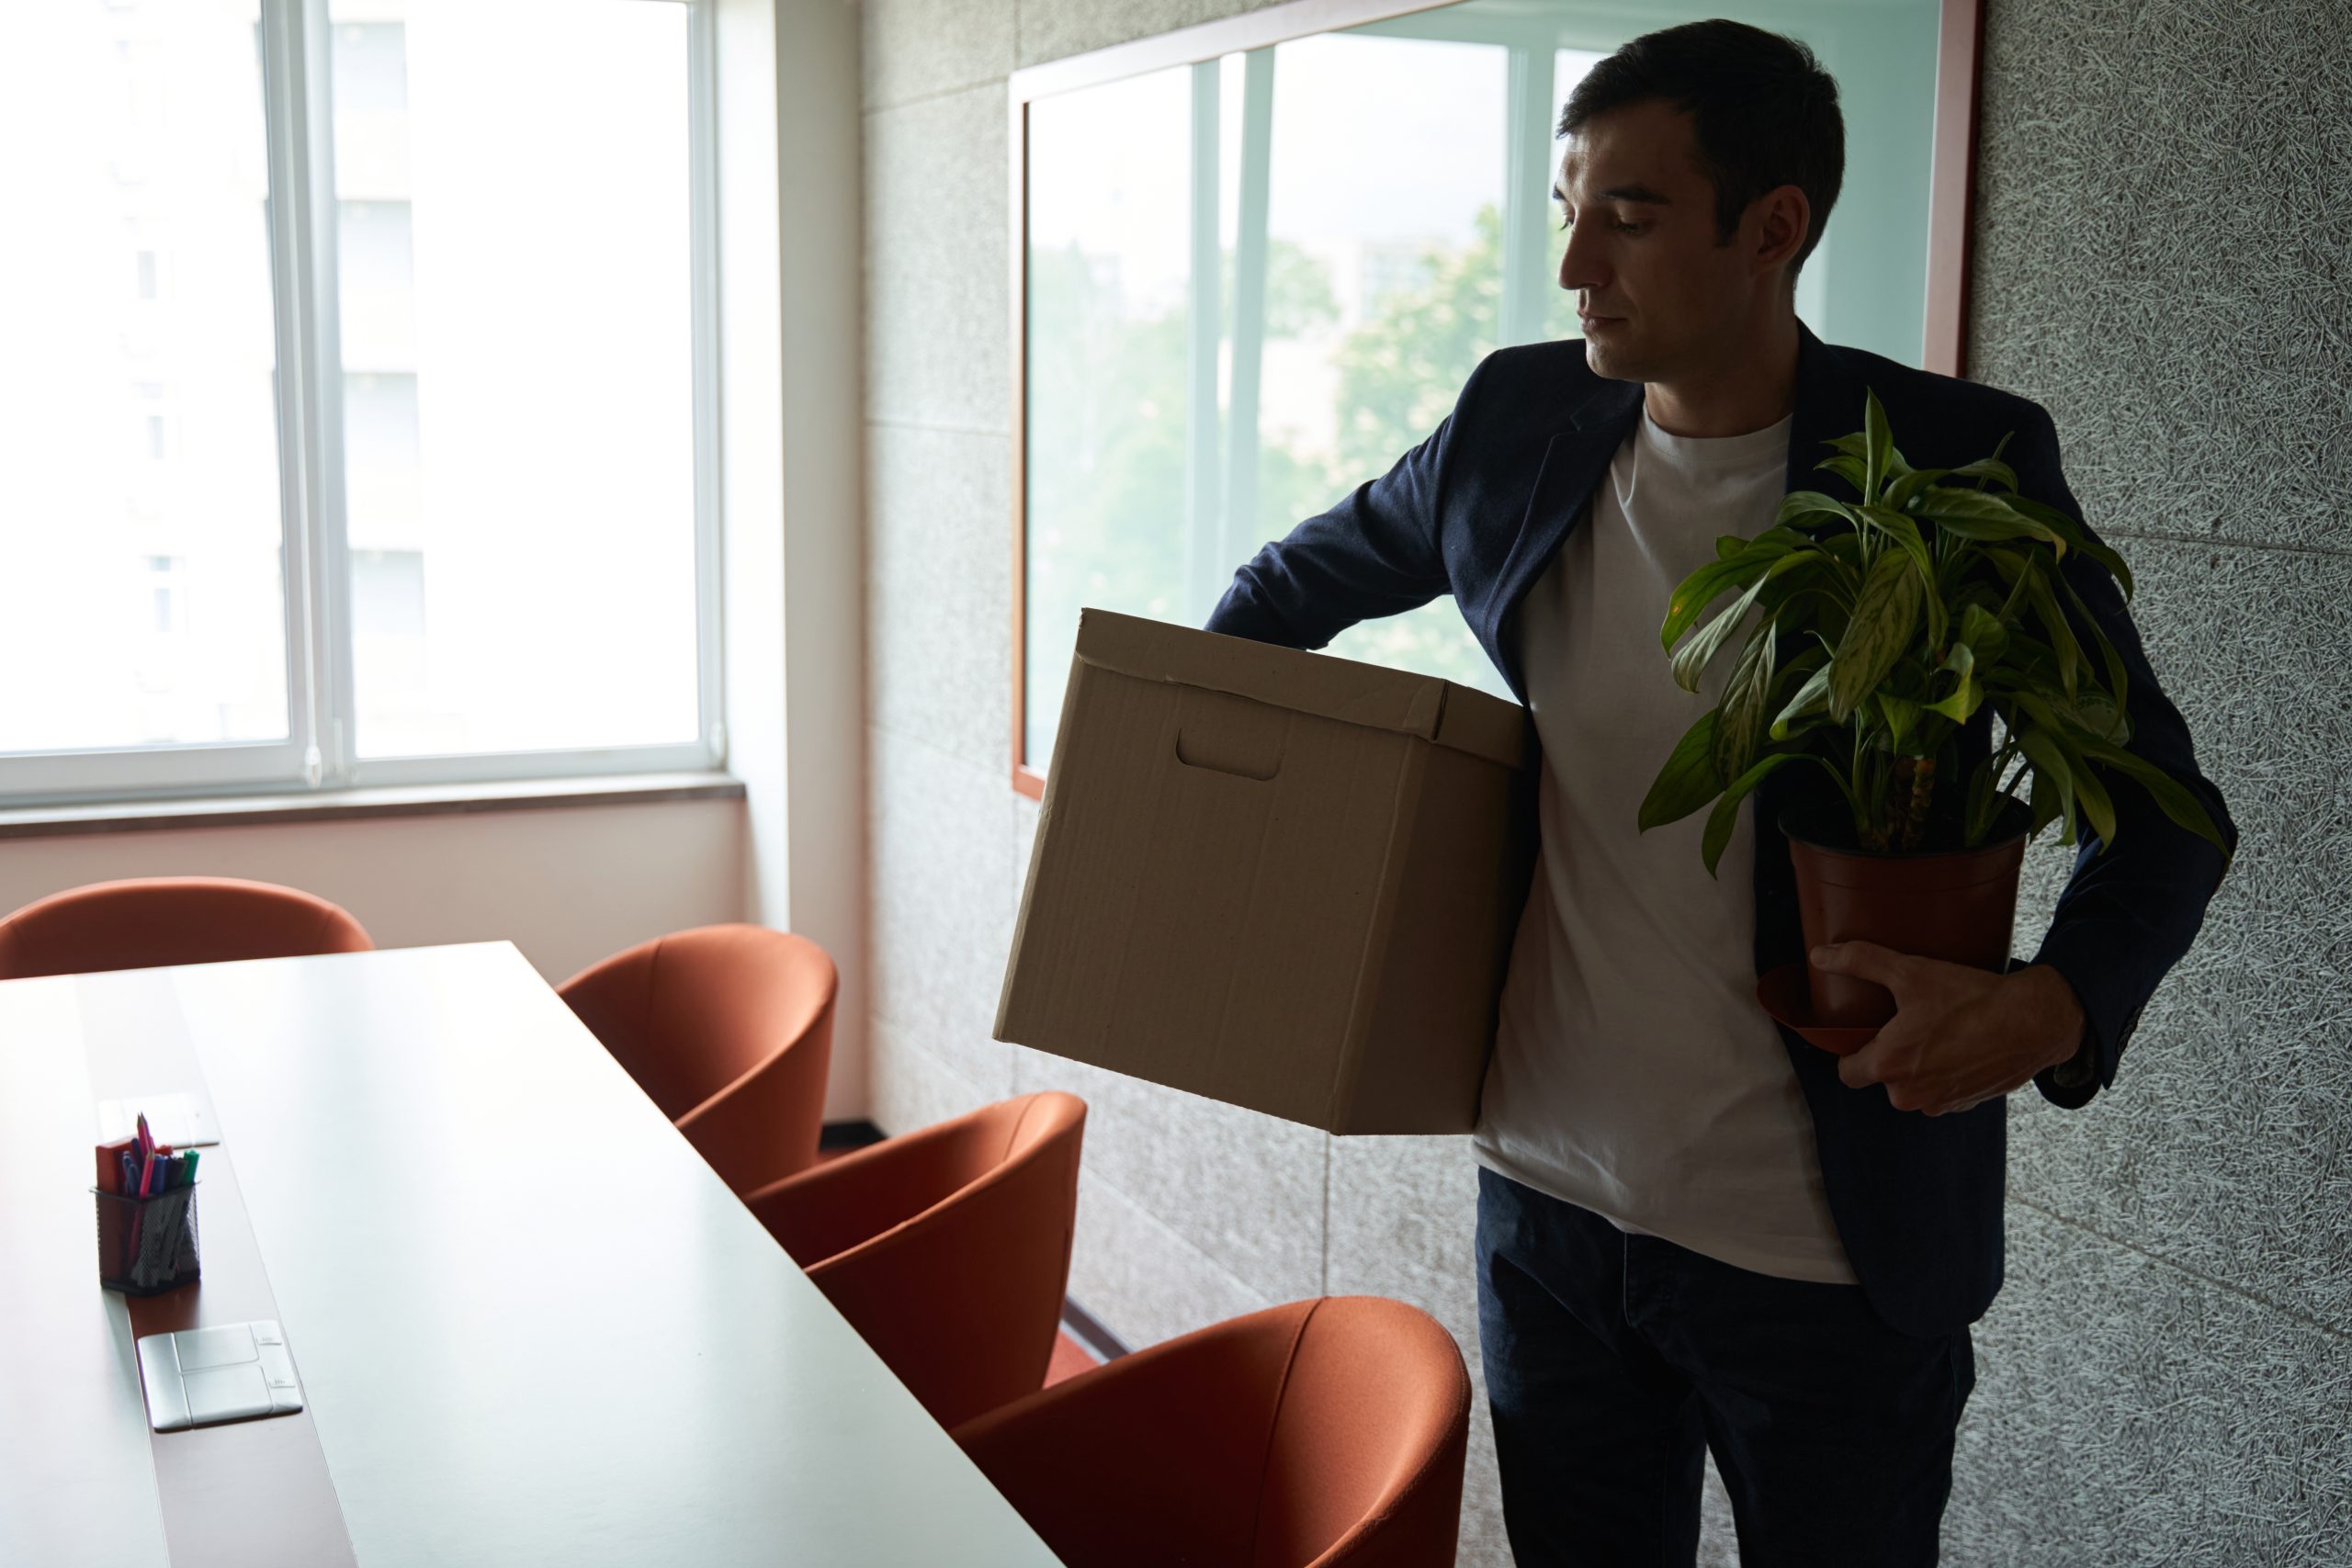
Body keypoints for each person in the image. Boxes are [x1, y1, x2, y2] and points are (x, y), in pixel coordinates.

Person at [1202, 17, 2233, 1566]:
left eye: (1628, 216)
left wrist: (2055, 1005)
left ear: (1774, 227)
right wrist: (1264, 867)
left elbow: (2165, 812)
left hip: (1823, 1255)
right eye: (1569, 210)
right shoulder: (1514, 426)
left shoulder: (1953, 462)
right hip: (1548, 1212)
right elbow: (1276, 600)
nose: (1576, 267)